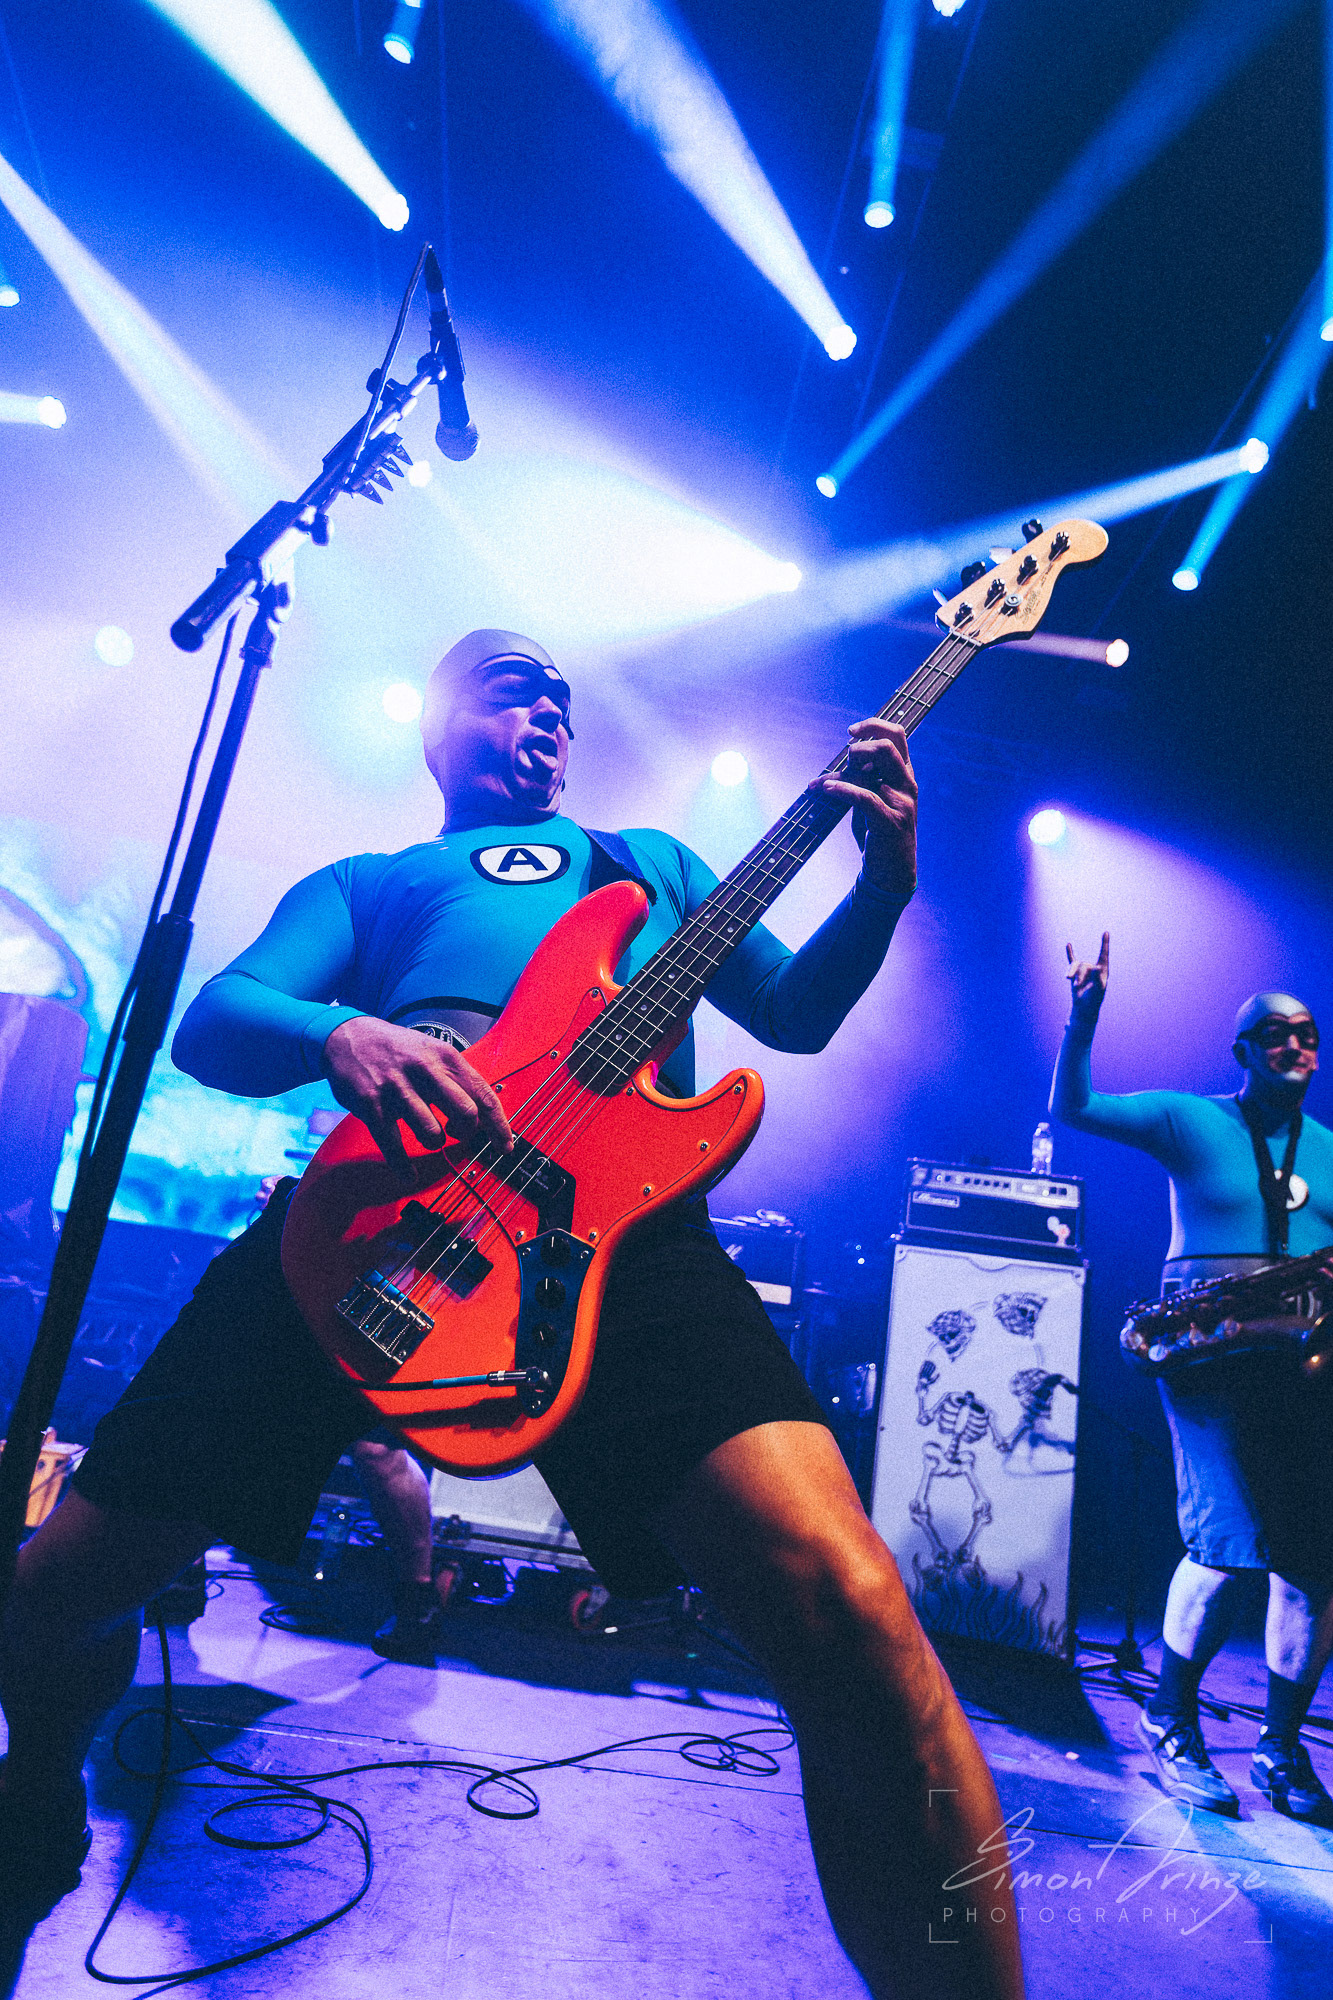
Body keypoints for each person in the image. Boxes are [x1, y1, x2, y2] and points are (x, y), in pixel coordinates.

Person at [1, 630, 1023, 2000]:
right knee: (51, 1594)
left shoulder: (647, 865)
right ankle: (46, 1788)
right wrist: (339, 1037)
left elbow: (790, 1015)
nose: (545, 706)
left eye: (558, 694)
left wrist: (884, 888)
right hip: (370, 1227)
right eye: (508, 686)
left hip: (622, 1240)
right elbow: (220, 1018)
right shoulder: (376, 882)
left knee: (849, 1611)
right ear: (436, 728)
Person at [1052, 934, 1333, 1821]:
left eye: (1309, 1035)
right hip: (1205, 1351)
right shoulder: (1188, 1118)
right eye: (1277, 1035)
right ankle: (1169, 1717)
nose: (1296, 1046)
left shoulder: (1326, 1147)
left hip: (1300, 1360)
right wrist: (1084, 1015)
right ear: (1242, 1051)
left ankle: (1280, 1751)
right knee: (1225, 1540)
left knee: (1313, 1561)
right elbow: (1077, 1108)